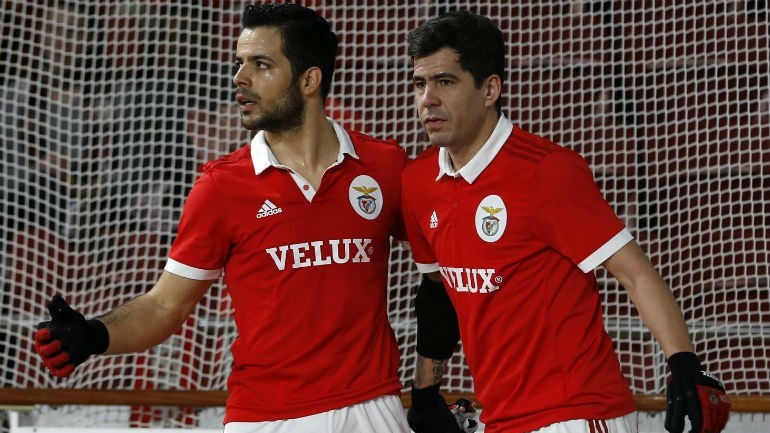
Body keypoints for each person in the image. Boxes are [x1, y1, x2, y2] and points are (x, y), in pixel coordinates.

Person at [33, 4, 413, 432]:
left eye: (261, 64)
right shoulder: (220, 186)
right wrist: (94, 334)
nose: (240, 78)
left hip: (373, 409)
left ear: (310, 79)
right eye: (239, 63)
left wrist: (431, 387)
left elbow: (444, 270)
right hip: (267, 418)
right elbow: (165, 305)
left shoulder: (384, 165)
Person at [400, 11, 731, 433]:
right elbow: (439, 293)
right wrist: (427, 390)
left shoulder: (547, 171)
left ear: (490, 90)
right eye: (419, 83)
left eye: (444, 82)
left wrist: (684, 364)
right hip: (501, 418)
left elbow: (634, 271)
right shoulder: (418, 181)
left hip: (576, 413)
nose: (427, 98)